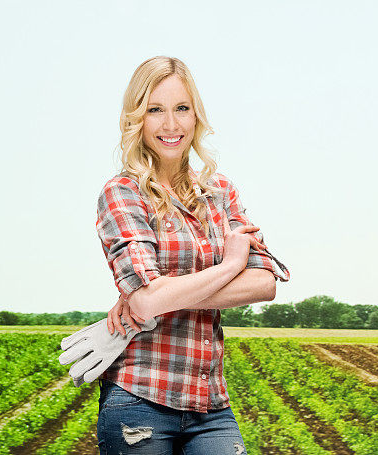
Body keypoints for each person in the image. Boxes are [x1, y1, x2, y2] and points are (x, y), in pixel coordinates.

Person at [94, 55, 290, 454]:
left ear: (196, 116)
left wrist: (160, 295)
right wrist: (232, 266)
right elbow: (148, 298)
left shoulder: (220, 192)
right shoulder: (122, 193)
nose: (171, 124)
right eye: (155, 110)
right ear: (137, 119)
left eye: (182, 109)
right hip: (140, 396)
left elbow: (265, 283)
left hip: (211, 404)